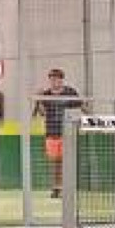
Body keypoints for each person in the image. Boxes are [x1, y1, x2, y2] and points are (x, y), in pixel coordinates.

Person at [32, 66, 84, 198]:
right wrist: (39, 99)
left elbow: (80, 107)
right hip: (52, 132)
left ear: (61, 80)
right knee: (55, 162)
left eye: (56, 79)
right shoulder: (46, 95)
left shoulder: (70, 92)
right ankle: (57, 187)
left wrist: (88, 121)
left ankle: (66, 187)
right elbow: (42, 113)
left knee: (66, 161)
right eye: (51, 79)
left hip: (68, 132)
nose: (53, 81)